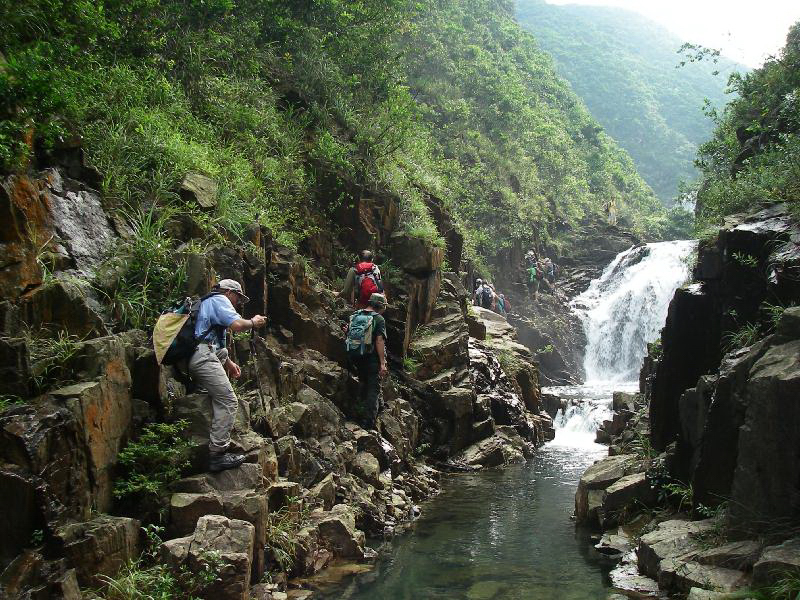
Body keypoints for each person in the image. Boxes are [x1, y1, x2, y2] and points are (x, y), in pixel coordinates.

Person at [186, 279, 267, 472]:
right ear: (230, 292)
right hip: (202, 357)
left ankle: (203, 389)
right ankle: (217, 454)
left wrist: (229, 363)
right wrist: (253, 322)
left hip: (198, 353)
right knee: (229, 401)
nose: (238, 303)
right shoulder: (219, 300)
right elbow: (238, 325)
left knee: (222, 355)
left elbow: (217, 345)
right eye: (238, 299)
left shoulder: (207, 302)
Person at [346, 293, 389, 430]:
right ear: (380, 306)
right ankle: (368, 424)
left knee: (364, 384)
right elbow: (379, 340)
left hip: (356, 356)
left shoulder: (357, 314)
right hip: (371, 358)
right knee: (373, 389)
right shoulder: (379, 319)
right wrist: (382, 363)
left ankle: (358, 413)